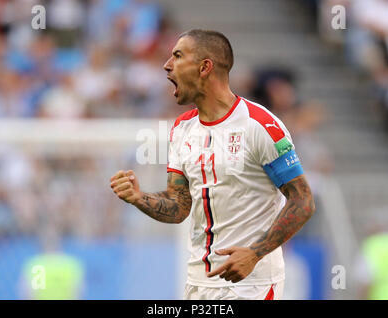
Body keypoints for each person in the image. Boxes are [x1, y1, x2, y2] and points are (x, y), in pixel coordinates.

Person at [110, 29, 315, 300]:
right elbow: (179, 206)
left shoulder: (259, 125)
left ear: (205, 67)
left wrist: (255, 254)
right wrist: (139, 197)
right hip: (198, 285)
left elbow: (303, 201)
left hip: (250, 285)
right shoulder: (182, 129)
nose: (167, 65)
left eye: (178, 56)